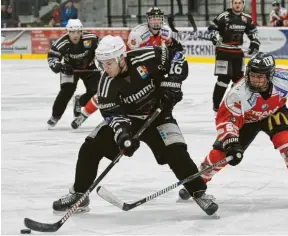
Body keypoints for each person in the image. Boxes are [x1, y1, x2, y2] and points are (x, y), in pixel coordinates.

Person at [52, 35, 218, 216]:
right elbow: (113, 116)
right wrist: (123, 136)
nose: (104, 69)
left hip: (159, 116)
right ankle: (79, 194)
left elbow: (177, 56)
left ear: (121, 58)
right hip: (128, 119)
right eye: (101, 64)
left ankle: (199, 193)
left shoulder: (147, 57)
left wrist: (173, 84)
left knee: (176, 152)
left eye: (108, 63)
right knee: (90, 147)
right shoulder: (106, 85)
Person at [178, 52, 288, 206]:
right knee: (220, 154)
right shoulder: (238, 93)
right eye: (252, 76)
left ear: (270, 75)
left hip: (275, 114)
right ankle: (196, 182)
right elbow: (226, 119)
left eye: (260, 77)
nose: (255, 80)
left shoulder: (286, 80)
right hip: (246, 121)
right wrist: (231, 142)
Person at [71, 6, 182, 129]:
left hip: (153, 68)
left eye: (158, 19)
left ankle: (160, 115)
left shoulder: (166, 31)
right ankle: (84, 114)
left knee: (162, 90)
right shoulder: (138, 34)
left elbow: (169, 50)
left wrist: (174, 46)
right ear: (148, 20)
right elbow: (128, 55)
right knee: (108, 93)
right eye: (153, 19)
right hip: (136, 67)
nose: (156, 22)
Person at [208, 0, 260, 114]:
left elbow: (253, 32)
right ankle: (216, 105)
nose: (237, 5)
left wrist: (255, 42)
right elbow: (212, 28)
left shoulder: (246, 18)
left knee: (239, 81)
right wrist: (214, 36)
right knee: (223, 80)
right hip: (223, 52)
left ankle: (232, 103)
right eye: (235, 2)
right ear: (232, 4)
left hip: (237, 53)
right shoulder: (223, 16)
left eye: (239, 3)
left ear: (243, 5)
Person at [47, 19, 100, 128]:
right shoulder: (61, 43)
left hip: (89, 68)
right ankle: (55, 116)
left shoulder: (92, 39)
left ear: (81, 32)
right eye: (72, 32)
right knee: (66, 92)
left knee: (97, 91)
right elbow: (52, 57)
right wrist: (59, 66)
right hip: (69, 70)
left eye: (77, 32)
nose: (75, 35)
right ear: (67, 32)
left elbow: (104, 49)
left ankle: (80, 101)